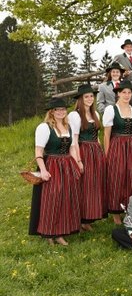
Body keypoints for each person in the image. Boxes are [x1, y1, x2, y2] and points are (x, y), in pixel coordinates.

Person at [32, 98, 82, 245]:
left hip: (67, 165)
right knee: (52, 199)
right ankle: (49, 232)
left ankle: (60, 232)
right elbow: (38, 151)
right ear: (51, 112)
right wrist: (43, 170)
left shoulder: (69, 127)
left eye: (63, 109)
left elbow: (72, 147)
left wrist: (77, 163)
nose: (61, 112)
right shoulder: (44, 127)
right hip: (52, 165)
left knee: (66, 198)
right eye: (57, 110)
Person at [103, 80, 132, 225]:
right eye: (124, 92)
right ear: (118, 94)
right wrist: (107, 154)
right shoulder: (111, 110)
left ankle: (131, 210)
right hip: (117, 146)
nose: (127, 95)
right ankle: (116, 212)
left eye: (129, 92)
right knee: (117, 177)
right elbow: (106, 135)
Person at [68, 84, 106, 231]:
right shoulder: (75, 115)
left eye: (91, 96)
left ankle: (89, 217)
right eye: (86, 96)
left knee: (94, 185)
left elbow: (97, 137)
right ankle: (81, 218)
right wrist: (78, 160)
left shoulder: (95, 114)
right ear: (80, 99)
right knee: (85, 185)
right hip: (83, 150)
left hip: (95, 151)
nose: (90, 98)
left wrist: (101, 152)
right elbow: (74, 140)